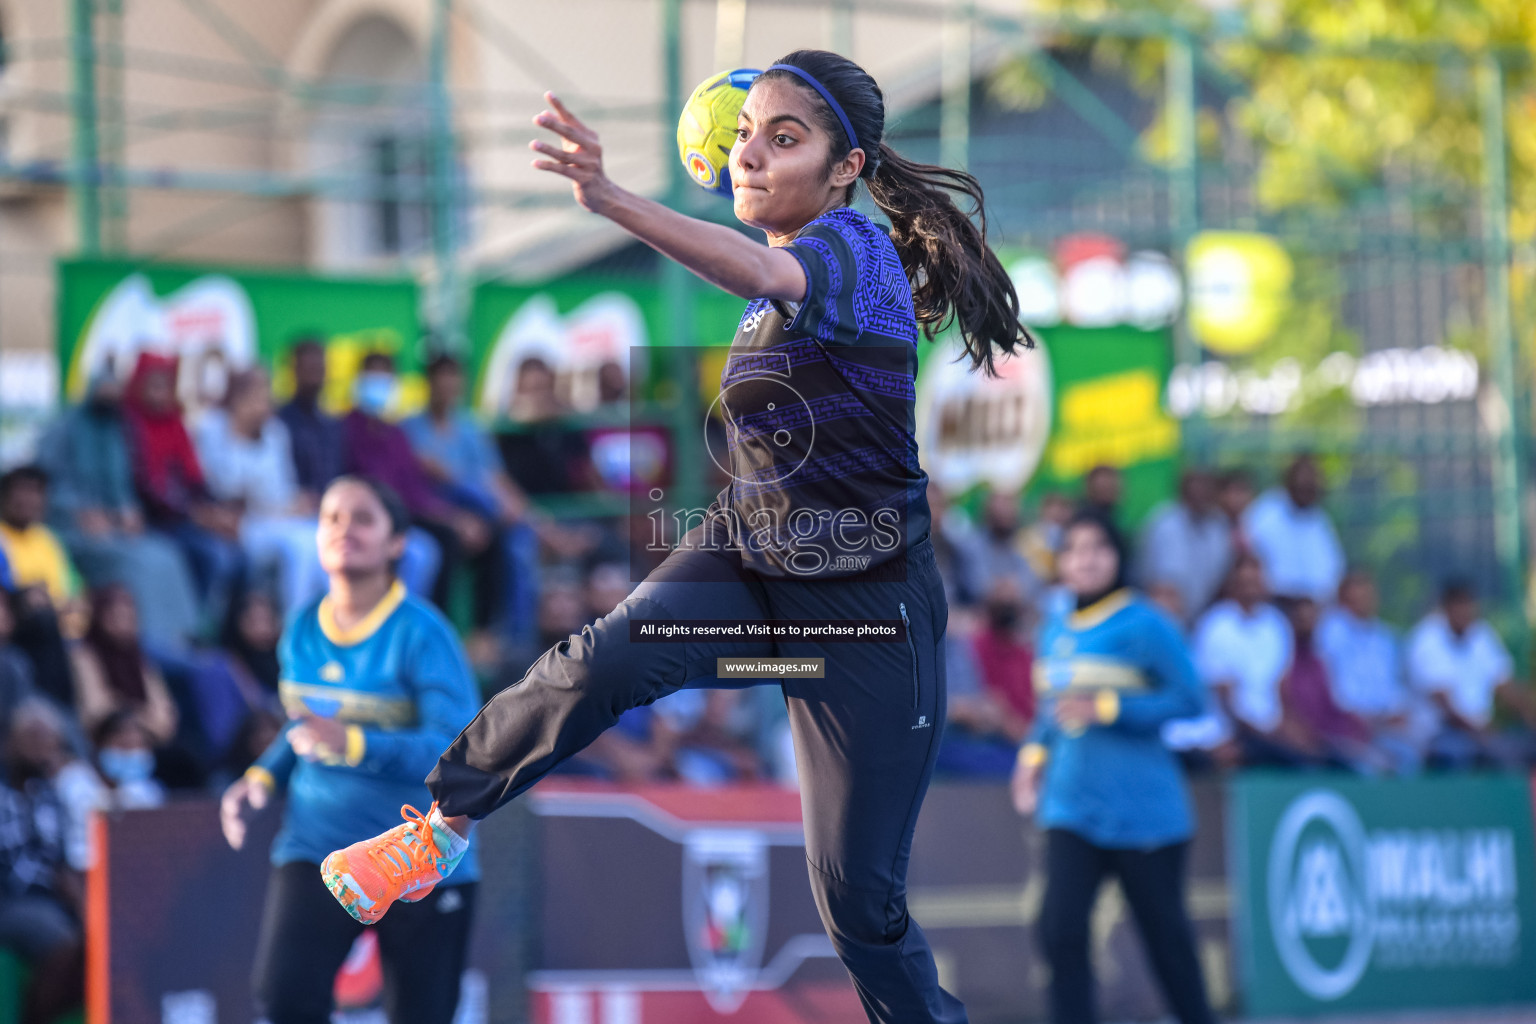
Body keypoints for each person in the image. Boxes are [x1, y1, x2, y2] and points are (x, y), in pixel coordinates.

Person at [321, 51, 1032, 1024]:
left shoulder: (852, 254)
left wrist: (610, 198)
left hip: (868, 605)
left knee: (859, 907)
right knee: (595, 662)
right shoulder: (771, 296)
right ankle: (438, 827)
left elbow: (760, 264)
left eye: (785, 139)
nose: (752, 155)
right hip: (751, 551)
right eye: (746, 135)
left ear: (846, 169)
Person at [218, 477, 482, 1024]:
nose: (344, 530)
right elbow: (302, 729)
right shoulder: (299, 628)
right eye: (331, 518)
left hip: (422, 858)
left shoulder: (425, 633)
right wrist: (260, 780)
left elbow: (463, 752)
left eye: (362, 518)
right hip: (319, 847)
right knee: (284, 999)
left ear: (397, 543)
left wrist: (355, 742)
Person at [1009, 511, 1213, 1024]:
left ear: (1118, 557)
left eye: (1098, 548)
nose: (1086, 559)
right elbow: (1048, 713)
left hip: (1146, 816)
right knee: (1059, 930)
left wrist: (1111, 707)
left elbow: (1191, 701)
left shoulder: (1145, 623)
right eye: (1074, 549)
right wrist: (1032, 758)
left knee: (1167, 943)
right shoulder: (1053, 627)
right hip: (1071, 809)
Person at [38, 369, 201, 648]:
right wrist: (79, 510)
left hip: (116, 525)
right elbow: (45, 481)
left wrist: (129, 511)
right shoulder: (65, 427)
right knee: (137, 563)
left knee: (166, 554)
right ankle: (148, 643)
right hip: (72, 526)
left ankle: (181, 638)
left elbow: (127, 482)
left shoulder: (121, 428)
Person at [342, 352, 493, 615]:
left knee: (476, 533)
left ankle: (441, 629)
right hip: (372, 519)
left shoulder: (396, 433)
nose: (380, 384)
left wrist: (454, 517)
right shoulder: (346, 429)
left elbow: (415, 491)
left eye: (386, 377)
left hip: (406, 514)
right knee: (437, 544)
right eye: (373, 375)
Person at [401, 353, 533, 653]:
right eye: (441, 378)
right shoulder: (409, 428)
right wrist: (457, 518)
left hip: (474, 515)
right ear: (429, 383)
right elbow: (423, 485)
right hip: (429, 514)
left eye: (454, 379)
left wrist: (515, 508)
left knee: (504, 539)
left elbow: (493, 476)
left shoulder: (470, 427)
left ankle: (489, 636)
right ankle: (439, 636)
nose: (448, 387)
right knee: (446, 541)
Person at [123, 351, 245, 634]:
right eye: (153, 384)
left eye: (166, 385)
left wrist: (220, 512)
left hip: (186, 517)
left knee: (239, 554)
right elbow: (147, 489)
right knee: (212, 555)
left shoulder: (174, 422)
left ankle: (230, 634)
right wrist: (198, 516)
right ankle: (194, 629)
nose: (161, 393)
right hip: (153, 521)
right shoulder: (129, 425)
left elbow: (194, 479)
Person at [195, 369, 327, 615]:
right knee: (300, 547)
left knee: (324, 539)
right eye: (257, 396)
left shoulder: (276, 432)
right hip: (240, 523)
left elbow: (283, 487)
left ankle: (328, 624)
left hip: (280, 517)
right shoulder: (212, 427)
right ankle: (294, 622)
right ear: (237, 398)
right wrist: (238, 429)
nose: (265, 404)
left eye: (266, 396)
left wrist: (296, 503)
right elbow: (225, 488)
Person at [0, 699, 84, 1024]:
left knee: (99, 935)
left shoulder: (51, 794)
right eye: (33, 738)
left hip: (51, 902)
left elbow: (64, 862)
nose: (42, 747)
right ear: (10, 744)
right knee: (65, 944)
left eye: (48, 739)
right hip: (11, 900)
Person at [1406, 580, 1536, 770]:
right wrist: (1482, 734)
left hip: (1481, 732)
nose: (1465, 613)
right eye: (1459, 606)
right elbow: (1445, 707)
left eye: (1469, 606)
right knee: (1471, 752)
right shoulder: (1426, 639)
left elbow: (1506, 686)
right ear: (1446, 608)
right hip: (1438, 734)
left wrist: (1531, 717)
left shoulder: (1481, 634)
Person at [1316, 569, 1423, 774]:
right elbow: (1334, 690)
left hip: (1385, 724)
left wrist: (1396, 711)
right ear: (1343, 600)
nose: (1364, 603)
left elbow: (1394, 687)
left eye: (1368, 597)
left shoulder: (1385, 639)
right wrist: (1361, 718)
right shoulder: (1329, 634)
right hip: (1347, 726)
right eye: (1356, 598)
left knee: (1411, 755)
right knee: (1369, 766)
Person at [68, 584, 178, 747]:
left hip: (146, 744)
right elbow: (96, 712)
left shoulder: (141, 659)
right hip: (102, 744)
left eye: (128, 618)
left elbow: (164, 721)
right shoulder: (84, 656)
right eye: (114, 618)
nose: (122, 625)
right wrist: (142, 717)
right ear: (99, 618)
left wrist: (126, 710)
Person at [1242, 454, 1344, 603]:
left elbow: (1333, 570)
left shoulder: (1320, 520)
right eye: (1302, 484)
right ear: (1289, 482)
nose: (1307, 488)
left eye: (1312, 486)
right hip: (1273, 602)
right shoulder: (1265, 512)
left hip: (1313, 608)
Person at [1137, 468, 1232, 625]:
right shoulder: (1163, 524)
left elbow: (1222, 577)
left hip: (1205, 619)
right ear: (1183, 492)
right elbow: (1148, 579)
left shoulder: (1220, 526)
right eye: (1195, 489)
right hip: (1164, 617)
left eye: (1206, 489)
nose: (1200, 494)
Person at [276, 337, 345, 504]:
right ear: (295, 370)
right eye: (309, 369)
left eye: (319, 369)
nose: (315, 377)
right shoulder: (278, 422)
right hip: (292, 514)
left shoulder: (333, 425)